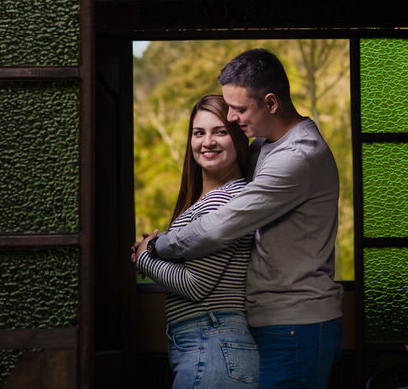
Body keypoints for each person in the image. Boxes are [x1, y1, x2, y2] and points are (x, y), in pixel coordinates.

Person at [147, 48, 344, 389]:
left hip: (296, 323)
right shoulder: (264, 146)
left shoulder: (297, 156)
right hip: (273, 321)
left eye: (239, 109)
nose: (233, 118)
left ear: (271, 103)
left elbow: (220, 227)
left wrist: (156, 247)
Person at [131, 95, 260, 389]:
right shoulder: (203, 201)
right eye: (198, 132)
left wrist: (144, 259)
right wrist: (154, 250)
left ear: (238, 138)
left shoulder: (228, 199)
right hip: (207, 342)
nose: (207, 142)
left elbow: (195, 285)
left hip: (215, 341)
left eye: (220, 131)